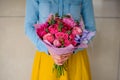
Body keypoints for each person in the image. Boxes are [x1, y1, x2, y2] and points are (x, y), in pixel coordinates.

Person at [25, 0, 96, 80]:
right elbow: (29, 27)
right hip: (47, 57)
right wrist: (48, 50)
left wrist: (73, 50)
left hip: (75, 58)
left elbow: (91, 28)